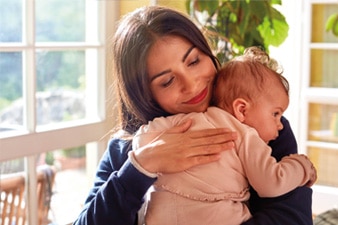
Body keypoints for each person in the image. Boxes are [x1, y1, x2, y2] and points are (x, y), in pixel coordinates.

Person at [73, 6, 315, 225]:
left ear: (207, 52)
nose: (191, 85)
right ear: (145, 94)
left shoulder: (264, 128)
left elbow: (292, 218)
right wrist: (142, 166)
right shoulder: (125, 148)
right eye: (167, 81)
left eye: (194, 61)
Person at [132, 46, 317, 225]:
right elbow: (273, 182)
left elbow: (141, 138)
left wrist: (148, 159)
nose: (279, 125)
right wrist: (302, 166)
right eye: (275, 114)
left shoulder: (186, 120)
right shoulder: (246, 136)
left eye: (194, 61)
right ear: (241, 109)